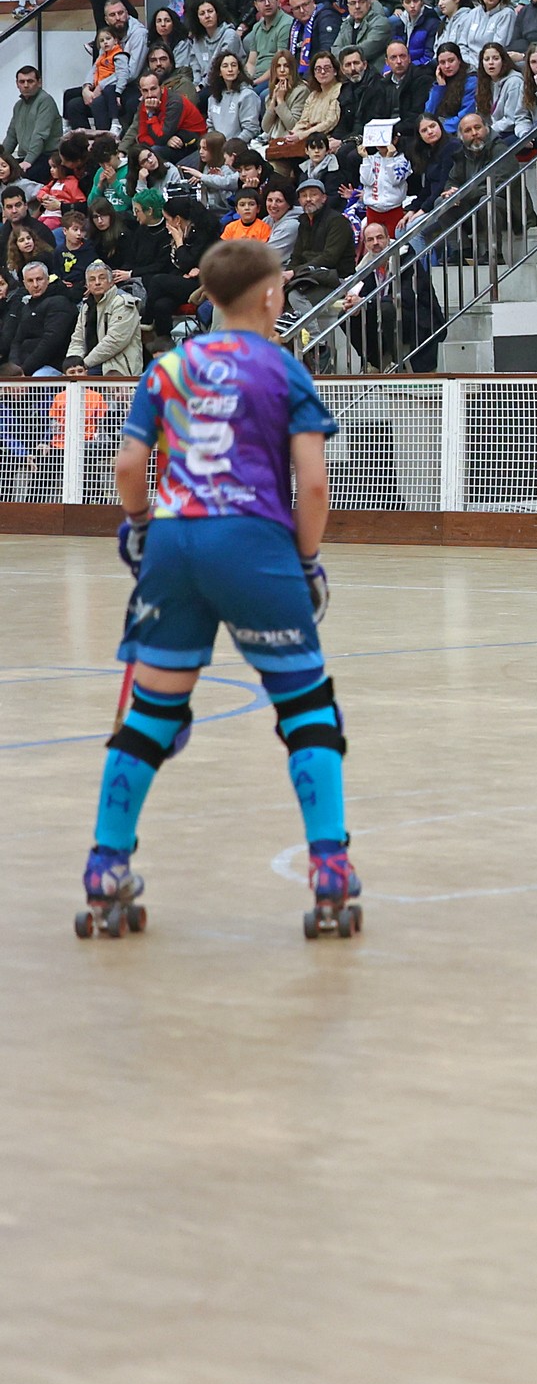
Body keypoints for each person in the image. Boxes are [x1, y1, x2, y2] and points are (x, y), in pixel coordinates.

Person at [87, 239, 357, 938]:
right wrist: (306, 561)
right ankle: (330, 867)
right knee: (307, 709)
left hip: (175, 541)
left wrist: (140, 526)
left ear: (207, 296)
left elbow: (129, 465)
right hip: (253, 544)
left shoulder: (168, 367)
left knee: (151, 714)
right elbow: (314, 485)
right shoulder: (283, 369)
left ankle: (106, 866)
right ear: (269, 296)